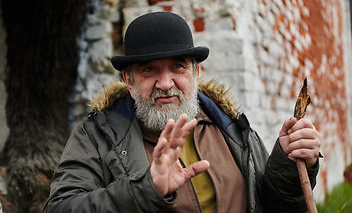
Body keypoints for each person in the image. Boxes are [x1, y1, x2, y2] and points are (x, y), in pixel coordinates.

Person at [43, 11, 321, 213]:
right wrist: (144, 190)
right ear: (129, 81)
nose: (165, 84)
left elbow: (273, 204)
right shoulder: (97, 136)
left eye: (178, 66)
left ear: (196, 72)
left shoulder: (230, 126)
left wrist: (287, 162)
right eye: (149, 69)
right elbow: (60, 208)